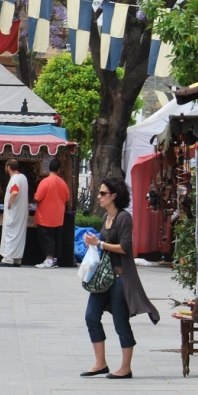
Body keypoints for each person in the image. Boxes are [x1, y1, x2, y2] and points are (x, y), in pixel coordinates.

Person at [81, 177, 160, 379]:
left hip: (119, 277)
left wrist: (98, 244)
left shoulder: (124, 218)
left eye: (102, 193)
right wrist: (92, 243)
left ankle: (125, 367)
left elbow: (125, 248)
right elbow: (103, 244)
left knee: (120, 321)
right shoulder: (106, 217)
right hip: (103, 277)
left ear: (114, 196)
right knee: (91, 316)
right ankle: (100, 362)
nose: (98, 196)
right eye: (99, 193)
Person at [34, 158, 70, 269]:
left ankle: (49, 259)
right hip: (59, 217)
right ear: (59, 170)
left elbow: (37, 197)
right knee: (57, 239)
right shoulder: (63, 183)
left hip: (46, 216)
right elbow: (67, 198)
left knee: (47, 239)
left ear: (49, 168)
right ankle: (54, 260)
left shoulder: (45, 182)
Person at [0, 159, 29, 268]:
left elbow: (14, 192)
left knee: (10, 234)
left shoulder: (14, 179)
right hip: (22, 212)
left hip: (13, 212)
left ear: (8, 167)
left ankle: (8, 258)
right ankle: (17, 258)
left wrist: (9, 203)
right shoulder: (23, 177)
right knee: (19, 235)